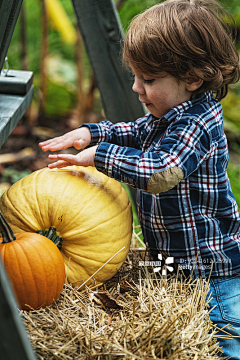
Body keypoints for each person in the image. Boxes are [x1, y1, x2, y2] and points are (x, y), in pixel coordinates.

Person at [39, 0, 240, 357]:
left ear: (193, 78)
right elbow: (135, 130)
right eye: (135, 76)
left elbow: (163, 172)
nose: (136, 88)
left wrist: (99, 157)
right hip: (177, 262)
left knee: (225, 338)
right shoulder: (172, 113)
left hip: (212, 269)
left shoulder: (196, 124)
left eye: (147, 80)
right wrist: (93, 134)